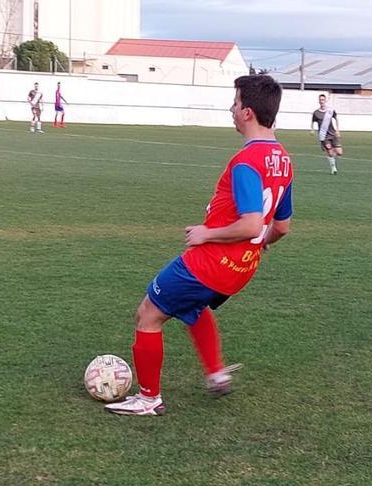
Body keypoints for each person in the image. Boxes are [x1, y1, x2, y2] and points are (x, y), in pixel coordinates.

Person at [104, 75, 294, 416]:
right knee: (193, 307)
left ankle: (148, 399)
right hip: (243, 268)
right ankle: (217, 373)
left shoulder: (246, 161)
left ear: (247, 113)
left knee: (148, 314)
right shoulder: (282, 159)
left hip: (210, 262)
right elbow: (281, 226)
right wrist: (259, 245)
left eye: (235, 103)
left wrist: (207, 234)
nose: (231, 109)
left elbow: (252, 223)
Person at [311, 94, 342, 174]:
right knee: (330, 152)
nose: (321, 101)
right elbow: (312, 121)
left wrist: (337, 130)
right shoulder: (316, 113)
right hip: (324, 136)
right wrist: (312, 129)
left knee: (339, 152)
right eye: (320, 100)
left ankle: (332, 158)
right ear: (319, 101)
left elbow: (336, 119)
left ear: (325, 101)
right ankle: (333, 168)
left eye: (323, 100)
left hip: (333, 134)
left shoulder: (330, 111)